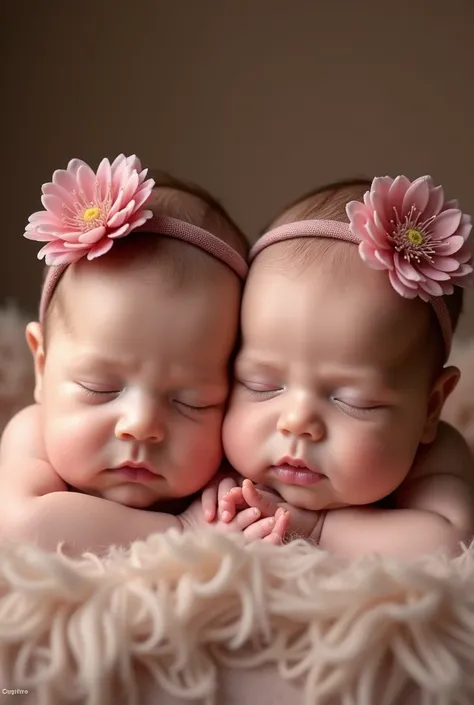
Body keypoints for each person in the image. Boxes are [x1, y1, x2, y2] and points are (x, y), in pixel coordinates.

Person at [0, 154, 287, 555]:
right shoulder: (33, 435)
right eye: (99, 388)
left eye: (191, 402)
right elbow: (23, 524)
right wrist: (182, 531)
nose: (141, 425)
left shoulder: (230, 464)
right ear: (42, 366)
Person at [204, 175, 474, 558]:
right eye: (261, 384)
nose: (296, 422)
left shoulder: (434, 455)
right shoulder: (217, 436)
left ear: (430, 408)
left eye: (353, 400)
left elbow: (449, 541)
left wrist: (315, 528)